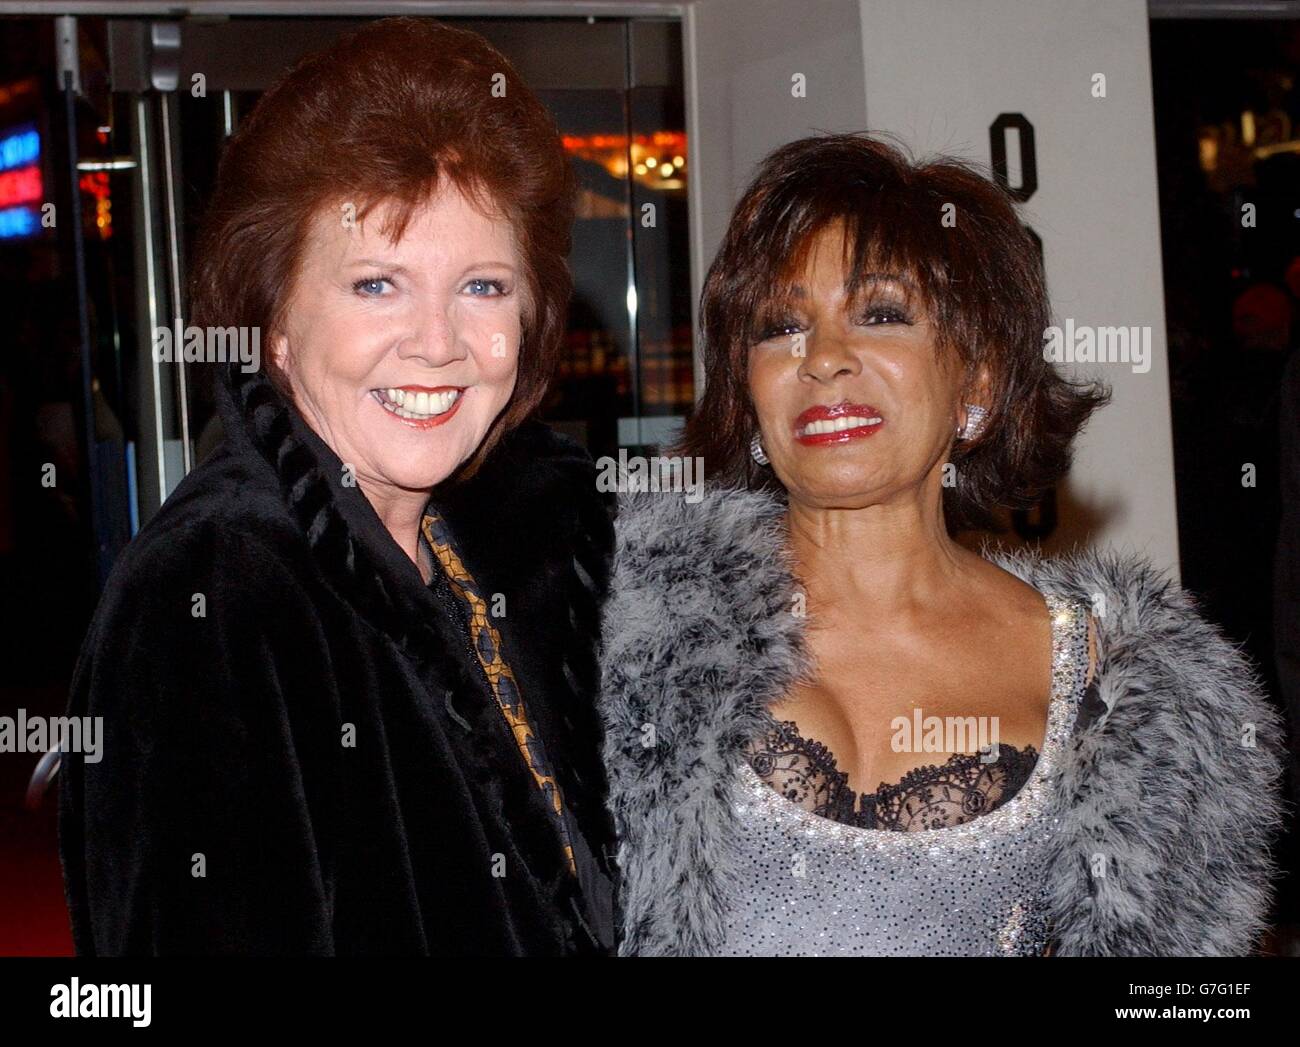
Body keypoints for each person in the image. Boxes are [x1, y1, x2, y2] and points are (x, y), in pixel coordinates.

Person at [599, 132, 1286, 956]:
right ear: (747, 393)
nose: (822, 359)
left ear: (979, 384)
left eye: (881, 314)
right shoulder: (624, 632)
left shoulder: (1125, 689)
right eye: (780, 326)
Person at [58, 17, 616, 955]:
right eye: (376, 285)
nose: (437, 342)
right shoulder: (218, 590)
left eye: (482, 286)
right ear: (272, 318)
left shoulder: (468, 545)